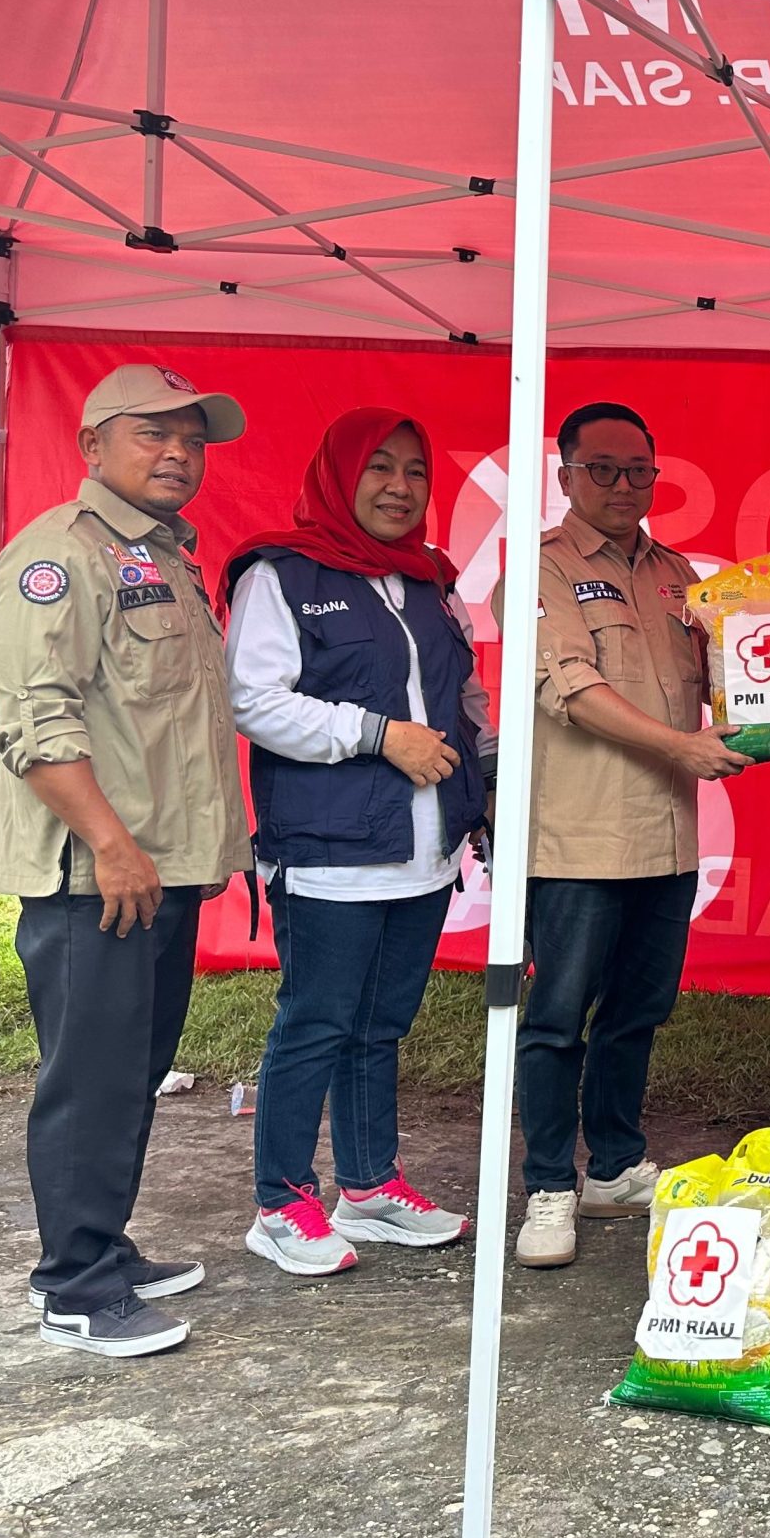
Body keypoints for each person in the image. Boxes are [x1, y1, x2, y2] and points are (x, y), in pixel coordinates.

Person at [0, 363, 250, 1357]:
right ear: (93, 446)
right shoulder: (59, 556)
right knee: (89, 1079)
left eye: (192, 439)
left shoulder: (164, 556)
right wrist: (109, 842)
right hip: (95, 873)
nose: (178, 453)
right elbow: (36, 724)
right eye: (153, 434)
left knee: (132, 1071)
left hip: (157, 867)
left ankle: (103, 1243)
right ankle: (75, 1287)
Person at [222, 408, 495, 1276]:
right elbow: (254, 701)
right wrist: (379, 734)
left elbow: (465, 706)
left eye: (415, 472)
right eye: (379, 468)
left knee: (381, 1026)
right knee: (317, 1024)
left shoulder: (431, 582)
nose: (399, 487)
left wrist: (478, 799)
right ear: (340, 475)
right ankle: (280, 1202)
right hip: (330, 851)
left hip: (422, 852)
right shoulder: (284, 574)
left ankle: (370, 1188)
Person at [506, 401, 749, 1270]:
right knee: (559, 1016)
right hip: (577, 835)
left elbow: (724, 677)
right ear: (565, 475)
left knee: (640, 1011)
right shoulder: (539, 569)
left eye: (639, 469)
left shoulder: (676, 573)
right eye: (601, 468)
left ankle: (611, 1164)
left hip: (668, 833)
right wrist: (685, 745)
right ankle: (547, 1185)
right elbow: (568, 687)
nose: (622, 485)